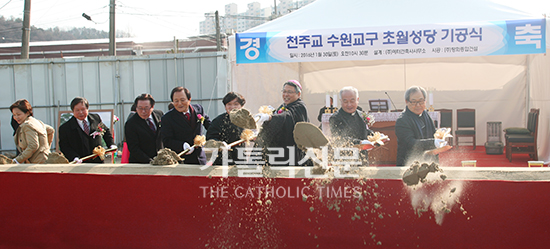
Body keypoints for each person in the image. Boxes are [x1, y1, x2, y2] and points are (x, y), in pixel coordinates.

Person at [255, 80, 311, 166]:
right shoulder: (283, 106)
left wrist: (269, 117)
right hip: (280, 150)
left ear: (298, 94)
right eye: (284, 91)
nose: (286, 95)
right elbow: (279, 118)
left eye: (290, 92)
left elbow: (287, 116)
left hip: (293, 150)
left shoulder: (300, 106)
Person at [161, 87, 211, 165]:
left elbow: (209, 125)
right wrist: (182, 145)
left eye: (182, 100)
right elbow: (167, 140)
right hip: (182, 160)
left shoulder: (198, 109)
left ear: (189, 99)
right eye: (176, 101)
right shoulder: (167, 118)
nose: (179, 104)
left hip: (200, 158)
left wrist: (217, 139)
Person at [58, 97, 116, 163]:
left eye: (83, 109)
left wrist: (111, 144)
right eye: (77, 110)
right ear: (73, 111)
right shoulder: (65, 128)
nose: (81, 112)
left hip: (98, 160)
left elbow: (106, 131)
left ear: (87, 109)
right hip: (80, 162)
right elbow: (64, 146)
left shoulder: (96, 118)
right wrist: (74, 157)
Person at [395, 86, 440, 166]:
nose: (418, 105)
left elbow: (434, 134)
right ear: (406, 101)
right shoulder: (402, 120)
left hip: (428, 162)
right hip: (410, 165)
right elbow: (411, 144)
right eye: (414, 102)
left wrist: (441, 137)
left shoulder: (425, 114)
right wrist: (434, 143)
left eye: (421, 101)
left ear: (425, 101)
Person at [329, 87, 374, 165]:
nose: (349, 105)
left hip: (362, 159)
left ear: (357, 100)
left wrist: (375, 137)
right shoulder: (335, 118)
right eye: (345, 101)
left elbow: (363, 131)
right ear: (341, 101)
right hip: (344, 160)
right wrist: (359, 142)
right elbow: (340, 139)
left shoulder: (360, 114)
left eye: (352, 101)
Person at [206, 92, 246, 165]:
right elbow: (210, 139)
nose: (232, 107)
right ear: (225, 106)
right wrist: (219, 144)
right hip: (221, 160)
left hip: (240, 159)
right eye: (229, 104)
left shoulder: (245, 120)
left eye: (236, 104)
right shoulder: (218, 121)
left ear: (241, 106)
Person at [10, 99, 55, 164]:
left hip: (37, 163)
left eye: (18, 114)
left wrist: (17, 160)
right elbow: (50, 130)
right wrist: (45, 149)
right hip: (44, 159)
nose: (16, 117)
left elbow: (33, 146)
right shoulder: (36, 122)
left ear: (27, 113)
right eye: (14, 115)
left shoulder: (27, 125)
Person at [124, 93, 164, 163]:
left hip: (160, 159)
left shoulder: (159, 115)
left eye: (146, 108)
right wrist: (150, 161)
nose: (143, 111)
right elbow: (134, 148)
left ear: (152, 107)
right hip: (140, 162)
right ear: (136, 107)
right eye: (140, 108)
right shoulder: (131, 124)